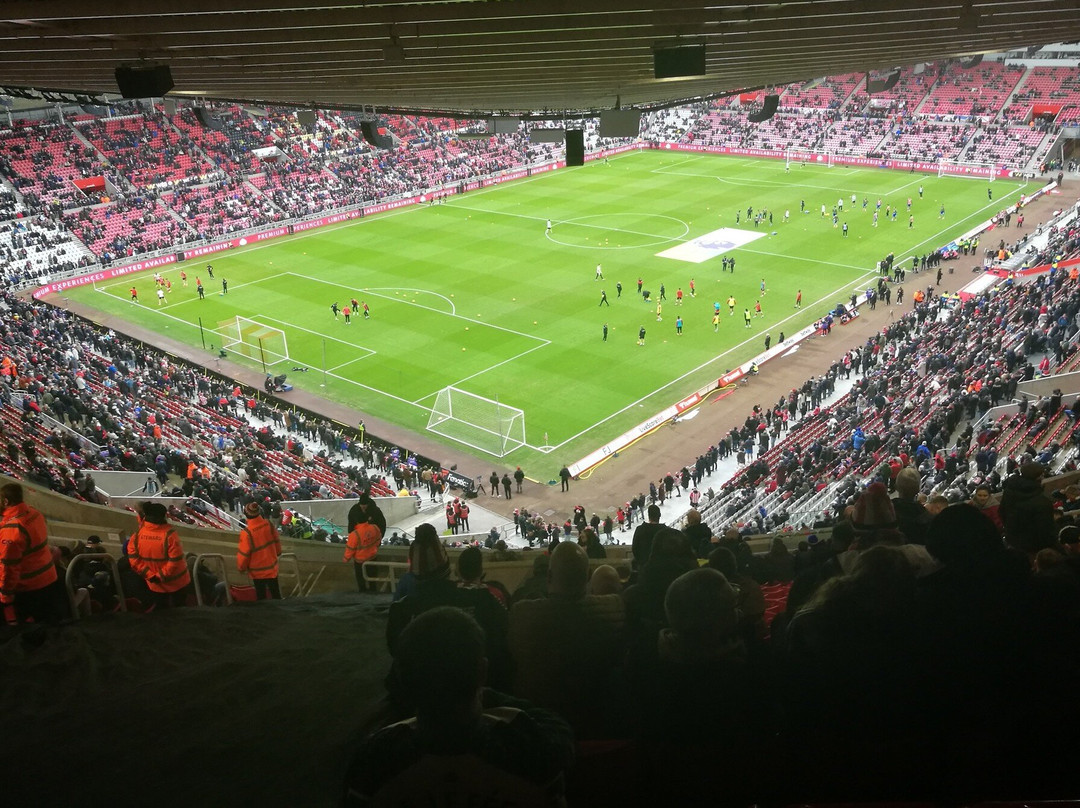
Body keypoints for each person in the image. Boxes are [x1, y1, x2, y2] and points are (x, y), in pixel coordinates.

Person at [342, 607, 574, 808]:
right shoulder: (529, 749)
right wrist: (484, 691)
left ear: (403, 680)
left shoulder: (375, 761)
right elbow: (560, 732)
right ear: (482, 672)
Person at [0, 482, 64, 624]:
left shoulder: (12, 531)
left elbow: (9, 569)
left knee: (31, 631)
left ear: (6, 501)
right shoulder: (34, 514)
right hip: (49, 578)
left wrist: (5, 596)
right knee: (49, 624)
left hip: (29, 588)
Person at [127, 501, 191, 609]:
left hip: (155, 584)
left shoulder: (137, 536)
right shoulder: (170, 535)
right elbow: (175, 561)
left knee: (162, 609)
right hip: (177, 582)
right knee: (180, 608)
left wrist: (150, 575)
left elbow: (134, 561)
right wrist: (161, 575)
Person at [237, 500, 282, 599]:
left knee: (261, 596)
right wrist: (278, 553)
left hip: (258, 572)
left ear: (246, 515)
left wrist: (241, 568)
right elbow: (276, 541)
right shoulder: (268, 524)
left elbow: (244, 554)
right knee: (276, 594)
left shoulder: (247, 533)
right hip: (272, 567)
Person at [345, 508, 383, 592]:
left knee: (361, 580)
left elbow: (350, 549)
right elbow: (378, 539)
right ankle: (373, 592)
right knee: (373, 578)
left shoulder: (354, 534)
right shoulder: (374, 527)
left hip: (360, 562)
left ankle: (363, 594)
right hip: (373, 558)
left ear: (356, 521)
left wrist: (346, 559)